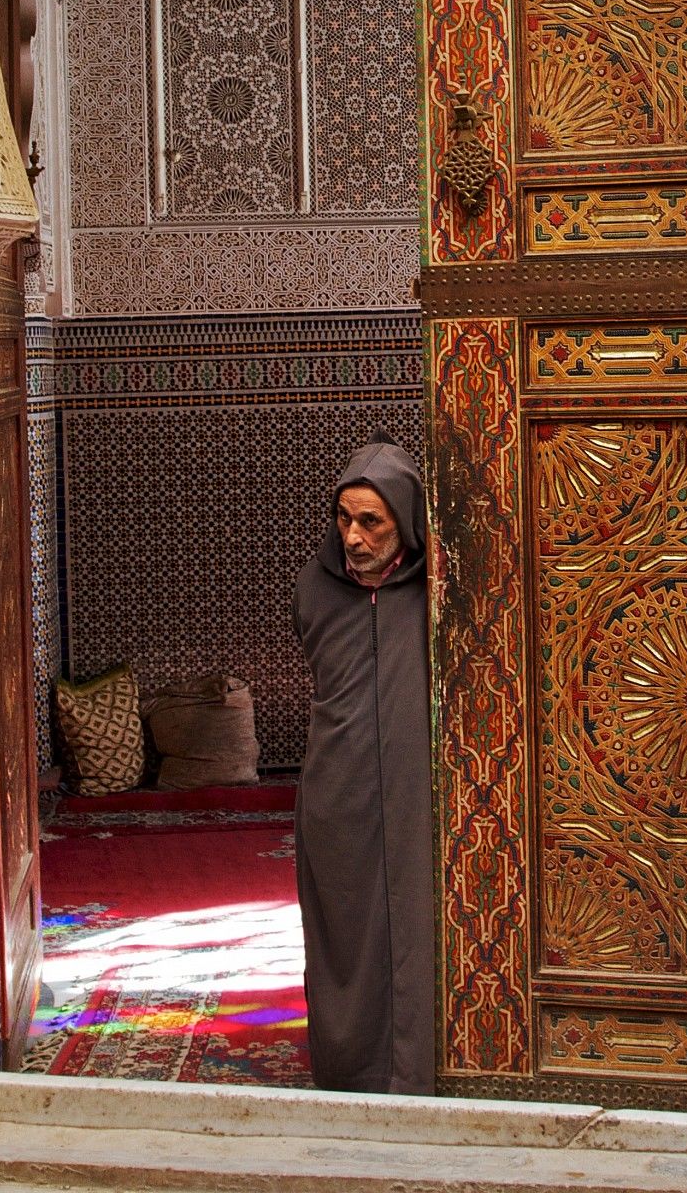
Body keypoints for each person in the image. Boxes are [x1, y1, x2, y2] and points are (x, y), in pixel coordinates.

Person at [293, 440, 434, 1095]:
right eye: (345, 519)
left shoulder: (437, 593)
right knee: (344, 936)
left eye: (370, 521)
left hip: (418, 796)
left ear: (403, 521)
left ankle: (419, 1073)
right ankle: (350, 1076)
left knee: (420, 930)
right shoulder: (315, 590)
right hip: (338, 795)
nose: (353, 536)